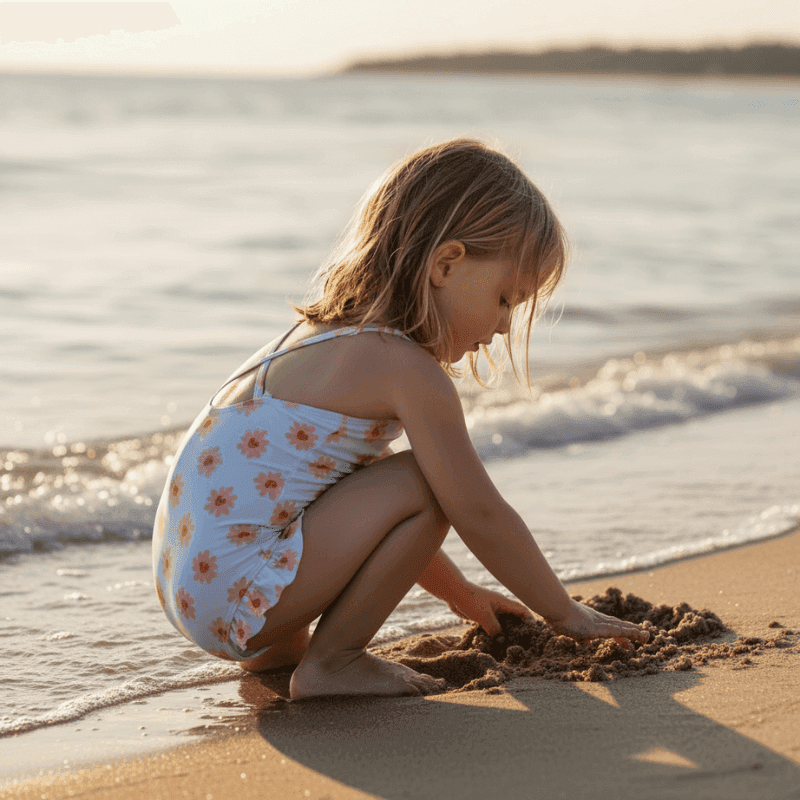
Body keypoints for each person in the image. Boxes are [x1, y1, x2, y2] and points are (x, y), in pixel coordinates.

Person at [152, 138, 648, 700]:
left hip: (196, 591)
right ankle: (332, 662)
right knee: (428, 481)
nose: (506, 326)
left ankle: (277, 649)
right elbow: (477, 510)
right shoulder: (407, 370)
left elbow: (359, 501)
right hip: (239, 593)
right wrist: (564, 613)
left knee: (394, 482)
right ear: (445, 264)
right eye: (507, 299)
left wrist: (459, 591)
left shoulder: (319, 341)